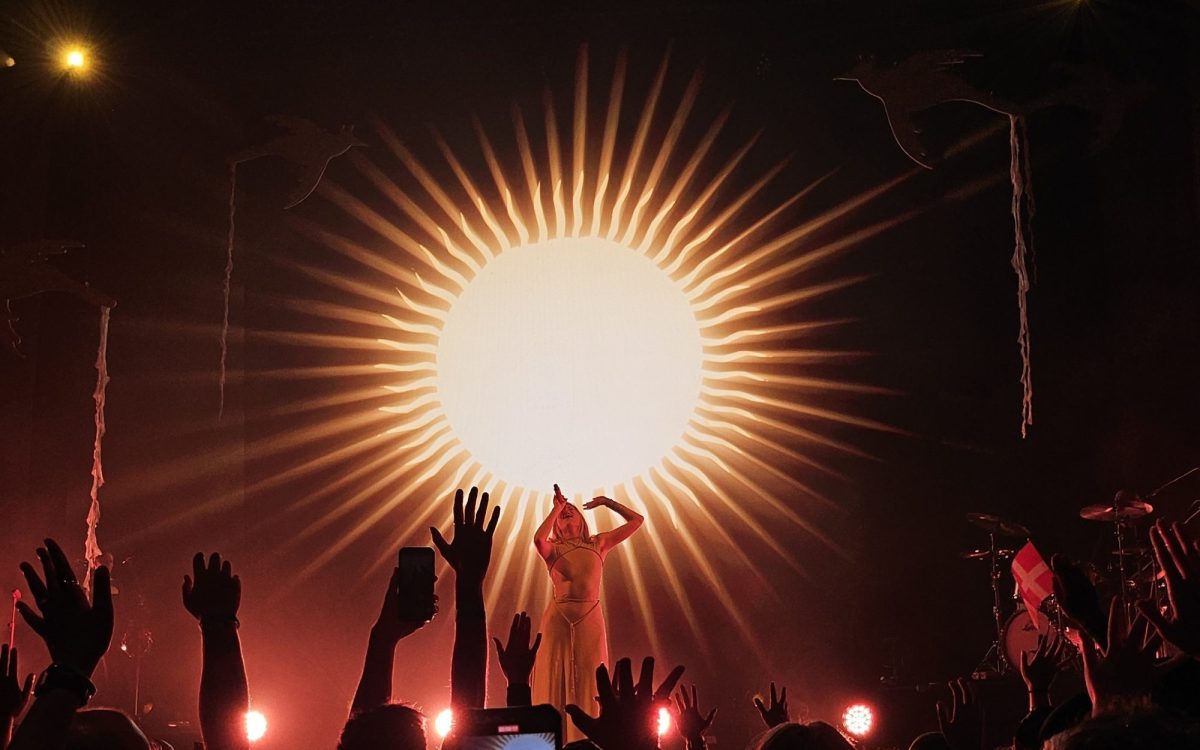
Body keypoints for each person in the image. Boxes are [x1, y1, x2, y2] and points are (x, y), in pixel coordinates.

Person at [532, 484, 643, 739]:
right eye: (563, 511)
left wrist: (607, 502)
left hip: (590, 617)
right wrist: (556, 508)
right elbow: (538, 539)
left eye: (571, 508)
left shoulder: (598, 543)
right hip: (558, 619)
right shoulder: (553, 549)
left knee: (592, 677)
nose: (567, 511)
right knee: (556, 676)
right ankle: (553, 739)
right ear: (556, 523)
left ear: (582, 518)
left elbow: (637, 520)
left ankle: (588, 740)